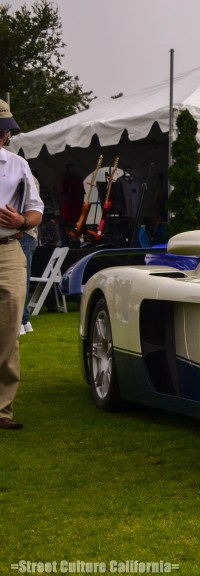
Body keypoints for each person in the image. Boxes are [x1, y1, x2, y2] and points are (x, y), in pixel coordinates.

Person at [0, 98, 43, 429]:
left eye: (4, 130)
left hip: (8, 249)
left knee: (9, 326)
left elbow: (36, 210)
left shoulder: (17, 165)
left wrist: (22, 221)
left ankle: (2, 410)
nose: (3, 136)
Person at [17, 178, 38, 335]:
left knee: (19, 280)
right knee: (21, 279)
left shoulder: (23, 176)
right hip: (26, 235)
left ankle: (20, 321)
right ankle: (24, 320)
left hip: (22, 234)